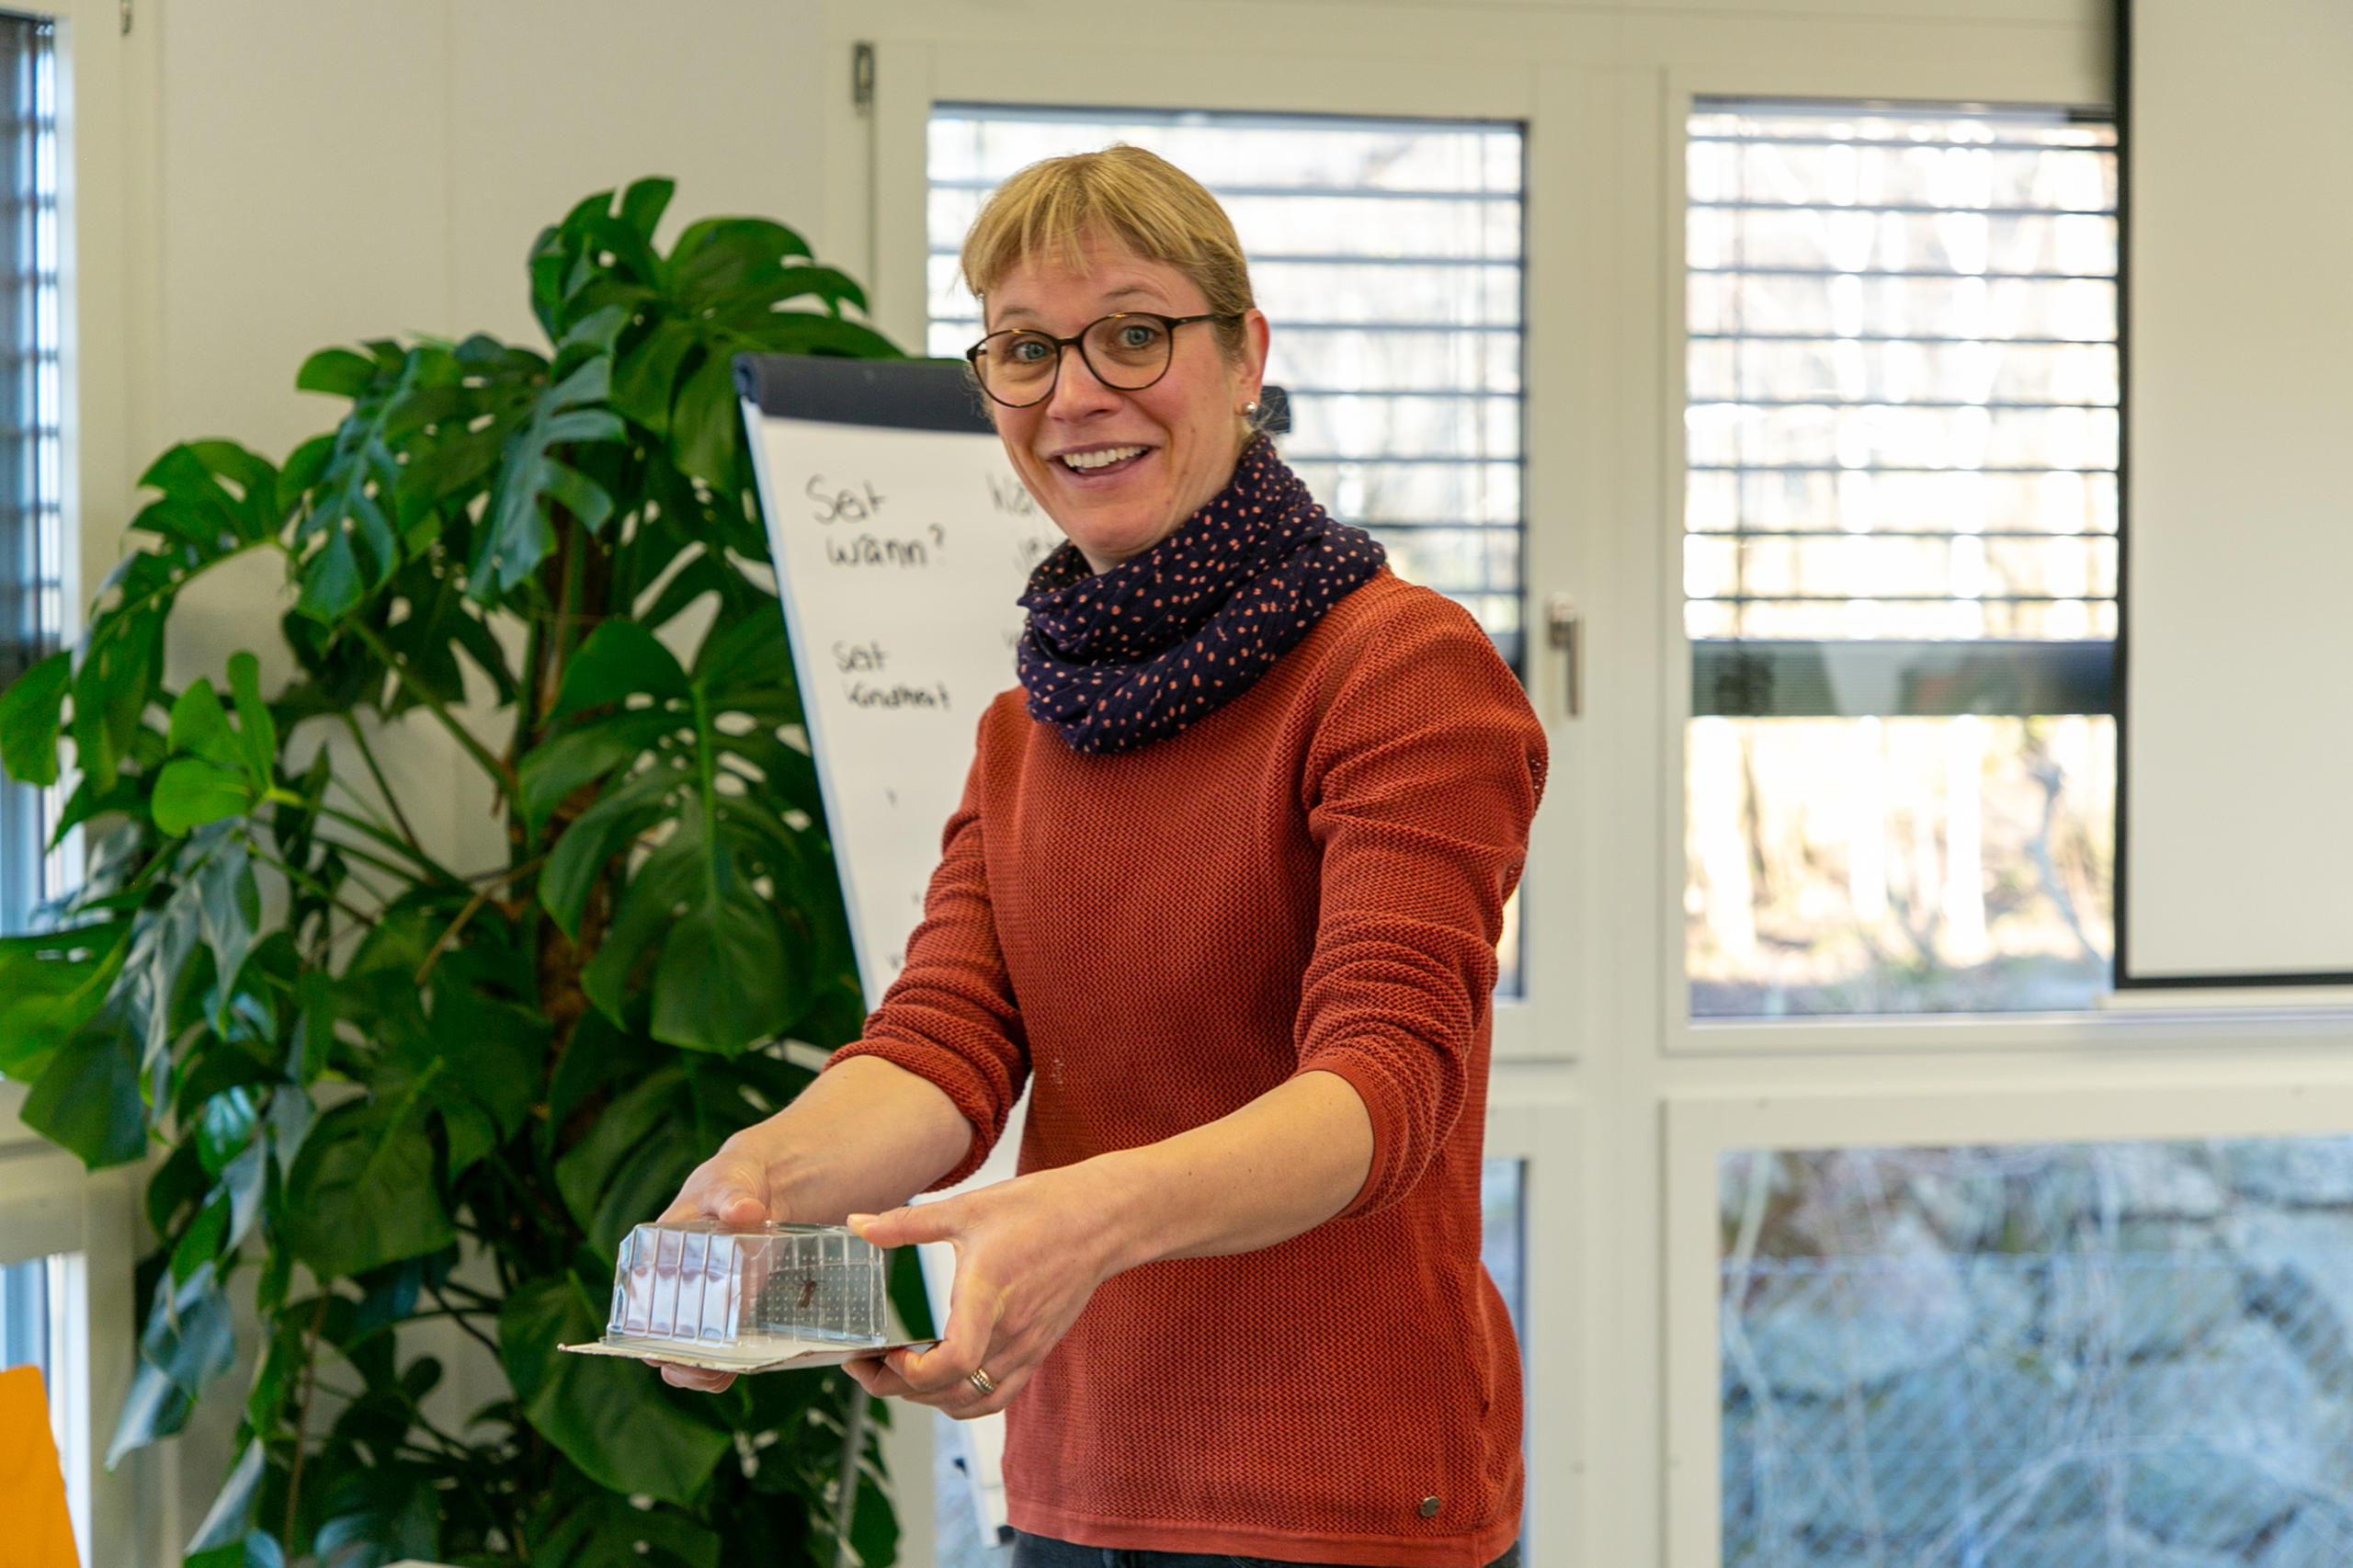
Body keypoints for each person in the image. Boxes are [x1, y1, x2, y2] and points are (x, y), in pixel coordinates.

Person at [659, 144, 1547, 1568]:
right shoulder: (1027, 730)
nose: (1076, 393)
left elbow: (1385, 1087)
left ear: (1247, 355)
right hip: (1077, 1486)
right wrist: (756, 1185)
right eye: (1025, 349)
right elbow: (941, 1051)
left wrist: (1085, 1213)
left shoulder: (1399, 667)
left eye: (1134, 333)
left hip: (1348, 1497)